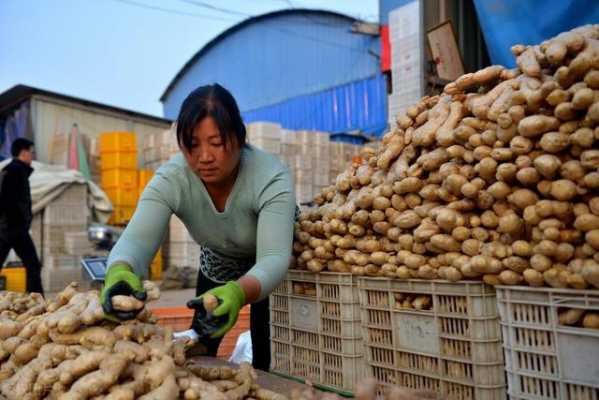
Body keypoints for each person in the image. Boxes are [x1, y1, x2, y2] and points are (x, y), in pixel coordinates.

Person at [100, 84, 296, 371]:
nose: (204, 157)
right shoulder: (173, 178)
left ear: (239, 138)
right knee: (202, 343)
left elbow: (274, 257)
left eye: (216, 143)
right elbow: (136, 240)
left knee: (266, 353)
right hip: (218, 257)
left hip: (271, 265)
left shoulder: (270, 177)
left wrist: (239, 292)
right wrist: (120, 270)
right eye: (193, 145)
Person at [0, 138, 44, 295]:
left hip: (9, 227)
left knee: (32, 265)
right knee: (33, 265)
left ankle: (34, 301)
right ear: (24, 153)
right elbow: (7, 200)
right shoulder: (15, 171)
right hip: (14, 228)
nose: (32, 156)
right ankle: (36, 302)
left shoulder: (13, 170)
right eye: (31, 153)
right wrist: (18, 224)